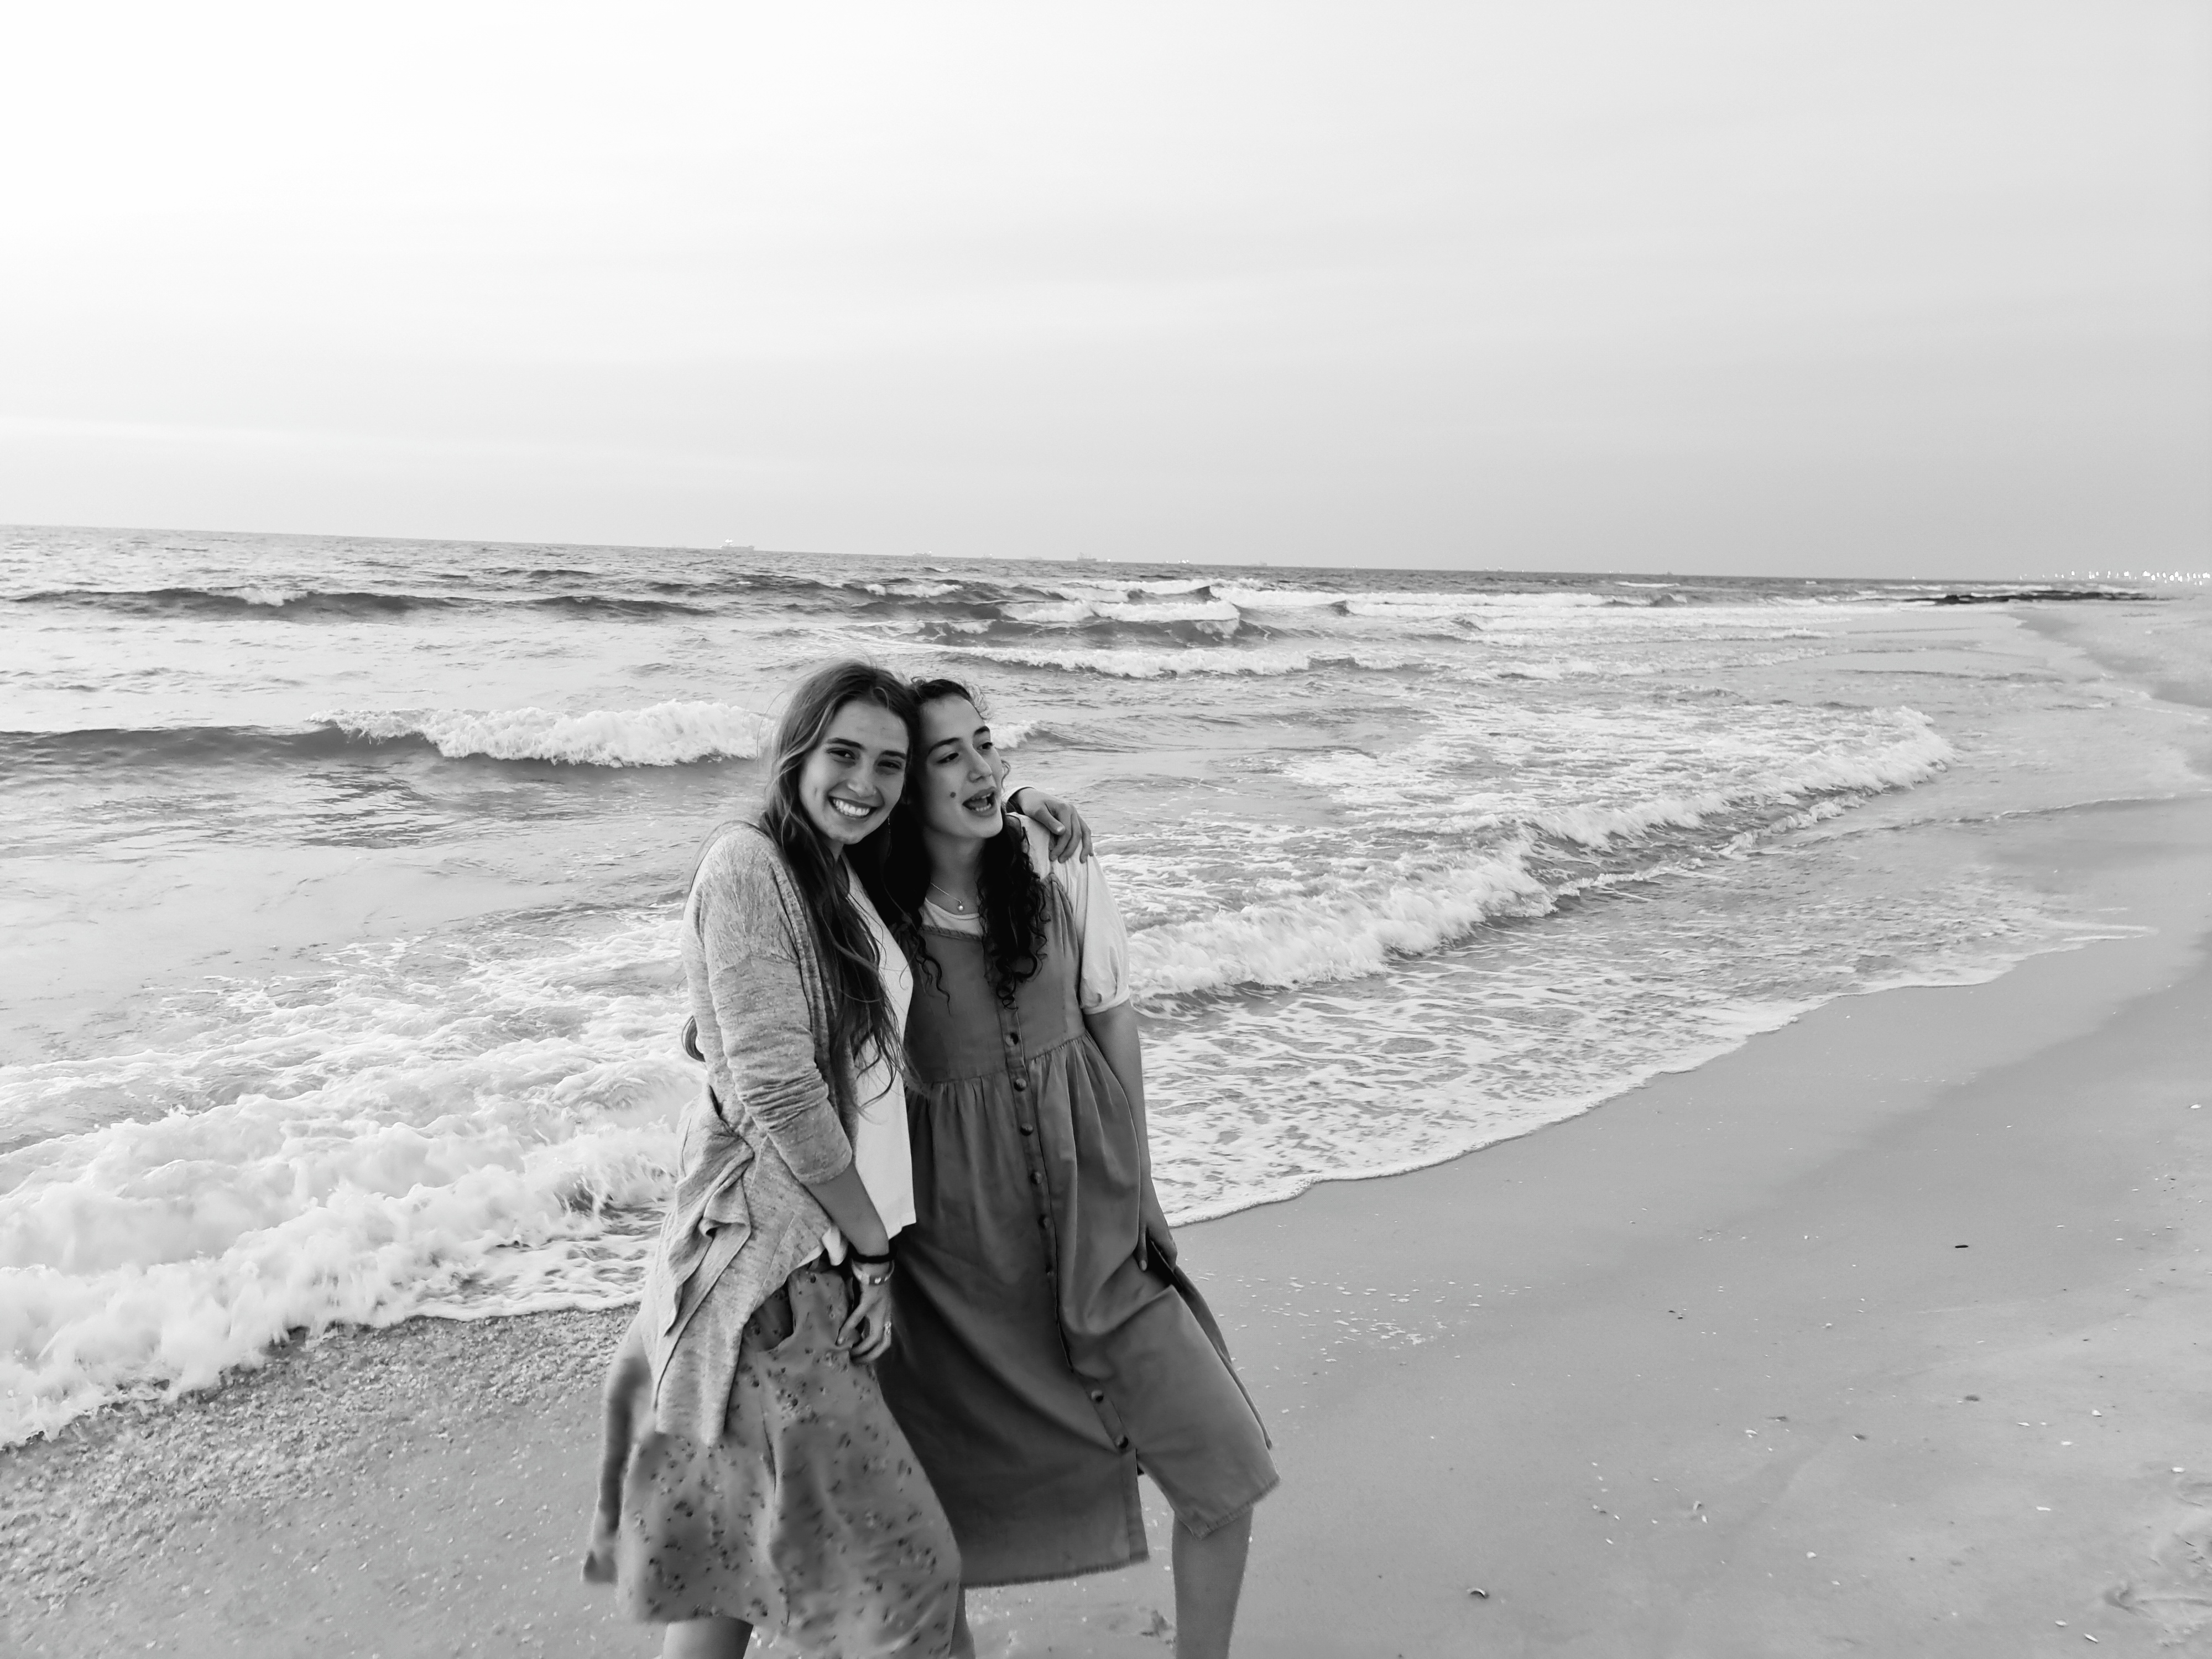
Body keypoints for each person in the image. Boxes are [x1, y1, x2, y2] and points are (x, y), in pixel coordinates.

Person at [580, 660, 1094, 1659]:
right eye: (843, 755)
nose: (866, 783)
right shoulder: (751, 865)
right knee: (911, 1587)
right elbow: (781, 1092)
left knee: (730, 1563)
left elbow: (947, 829)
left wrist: (1018, 801)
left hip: (791, 1260)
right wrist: (871, 1252)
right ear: (797, 749)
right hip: (773, 1272)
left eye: (890, 765)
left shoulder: (836, 867)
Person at [865, 677, 1278, 1659]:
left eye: (987, 744)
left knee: (1225, 1464)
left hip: (1097, 1216)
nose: (982, 768)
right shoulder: (867, 911)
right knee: (935, 1526)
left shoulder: (1054, 857)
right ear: (905, 788)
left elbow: (1112, 1019)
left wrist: (1141, 1184)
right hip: (955, 1258)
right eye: (949, 756)